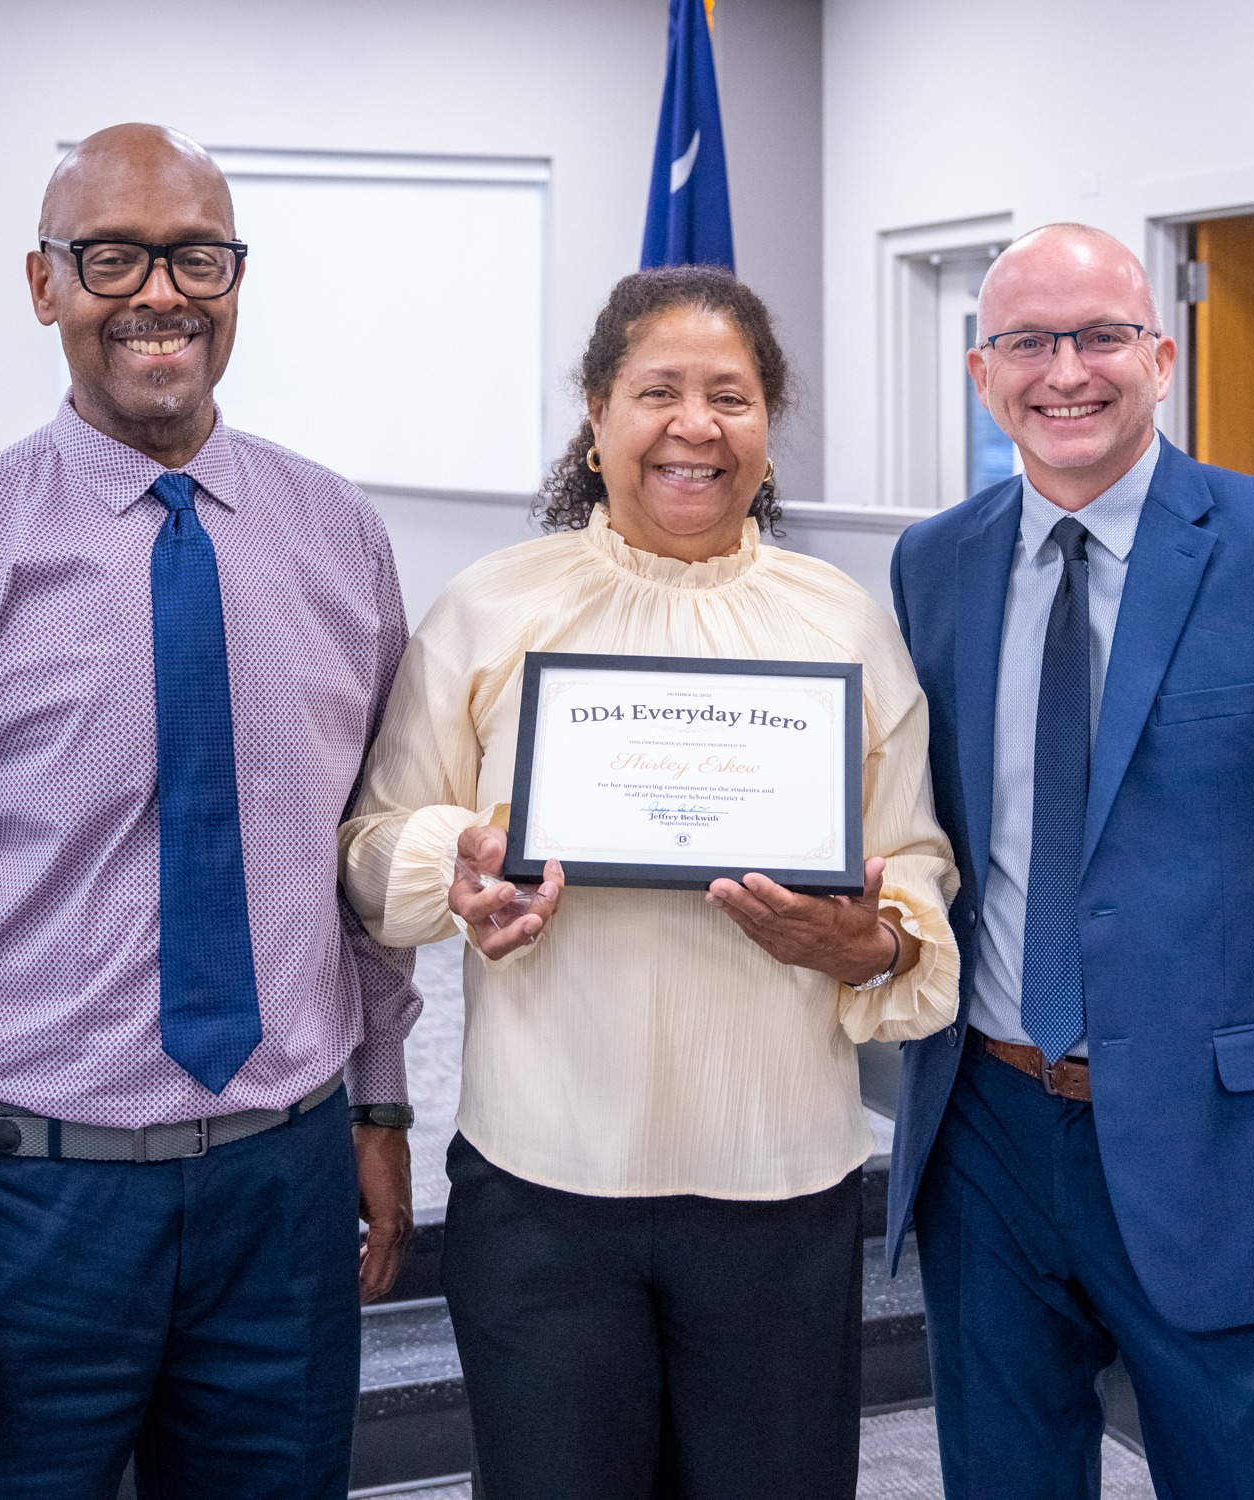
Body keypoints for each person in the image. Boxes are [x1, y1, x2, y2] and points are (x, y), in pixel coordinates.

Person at [339, 265, 959, 1500]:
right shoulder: (487, 609)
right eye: (657, 391)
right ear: (596, 410)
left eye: (729, 395)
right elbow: (373, 844)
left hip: (780, 1185)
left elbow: (918, 861)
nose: (695, 425)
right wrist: (453, 865)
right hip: (544, 1186)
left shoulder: (842, 622)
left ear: (768, 425)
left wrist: (875, 943)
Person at [0, 123, 421, 1497]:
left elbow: (358, 860)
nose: (159, 292)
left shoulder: (336, 536)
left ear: (237, 279)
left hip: (283, 1194)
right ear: (43, 283)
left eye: (196, 255)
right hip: (30, 1212)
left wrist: (382, 1106)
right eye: (112, 256)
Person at [888, 221, 1254, 1498]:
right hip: (984, 1129)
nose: (1067, 372)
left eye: (1101, 337)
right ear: (983, 373)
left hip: (1226, 1153)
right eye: (1029, 343)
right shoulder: (932, 564)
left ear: (1161, 356)